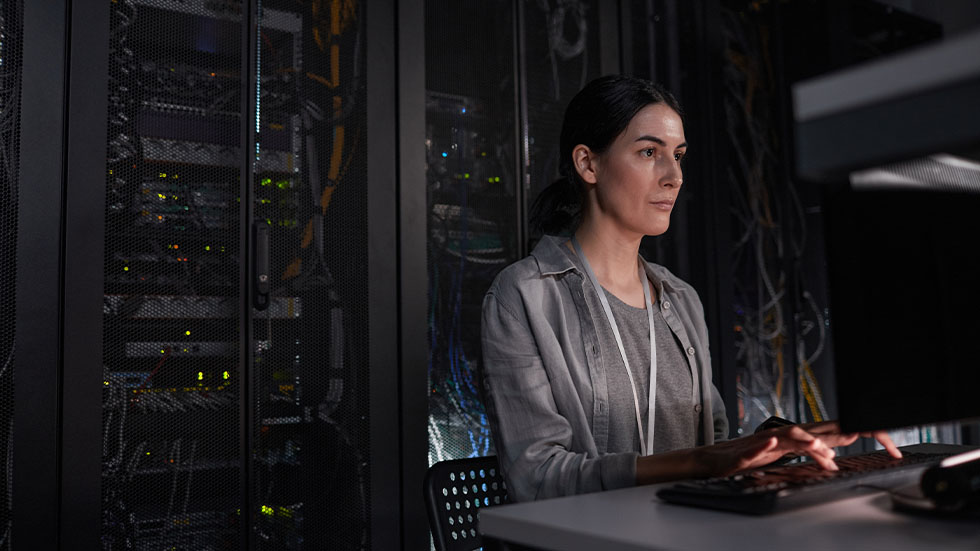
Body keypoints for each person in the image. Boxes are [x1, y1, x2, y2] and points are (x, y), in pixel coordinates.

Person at [479, 75, 899, 503]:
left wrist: (779, 444)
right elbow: (537, 478)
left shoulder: (681, 298)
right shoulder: (524, 296)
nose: (674, 176)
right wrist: (701, 462)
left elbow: (715, 448)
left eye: (678, 156)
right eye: (649, 153)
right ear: (589, 164)